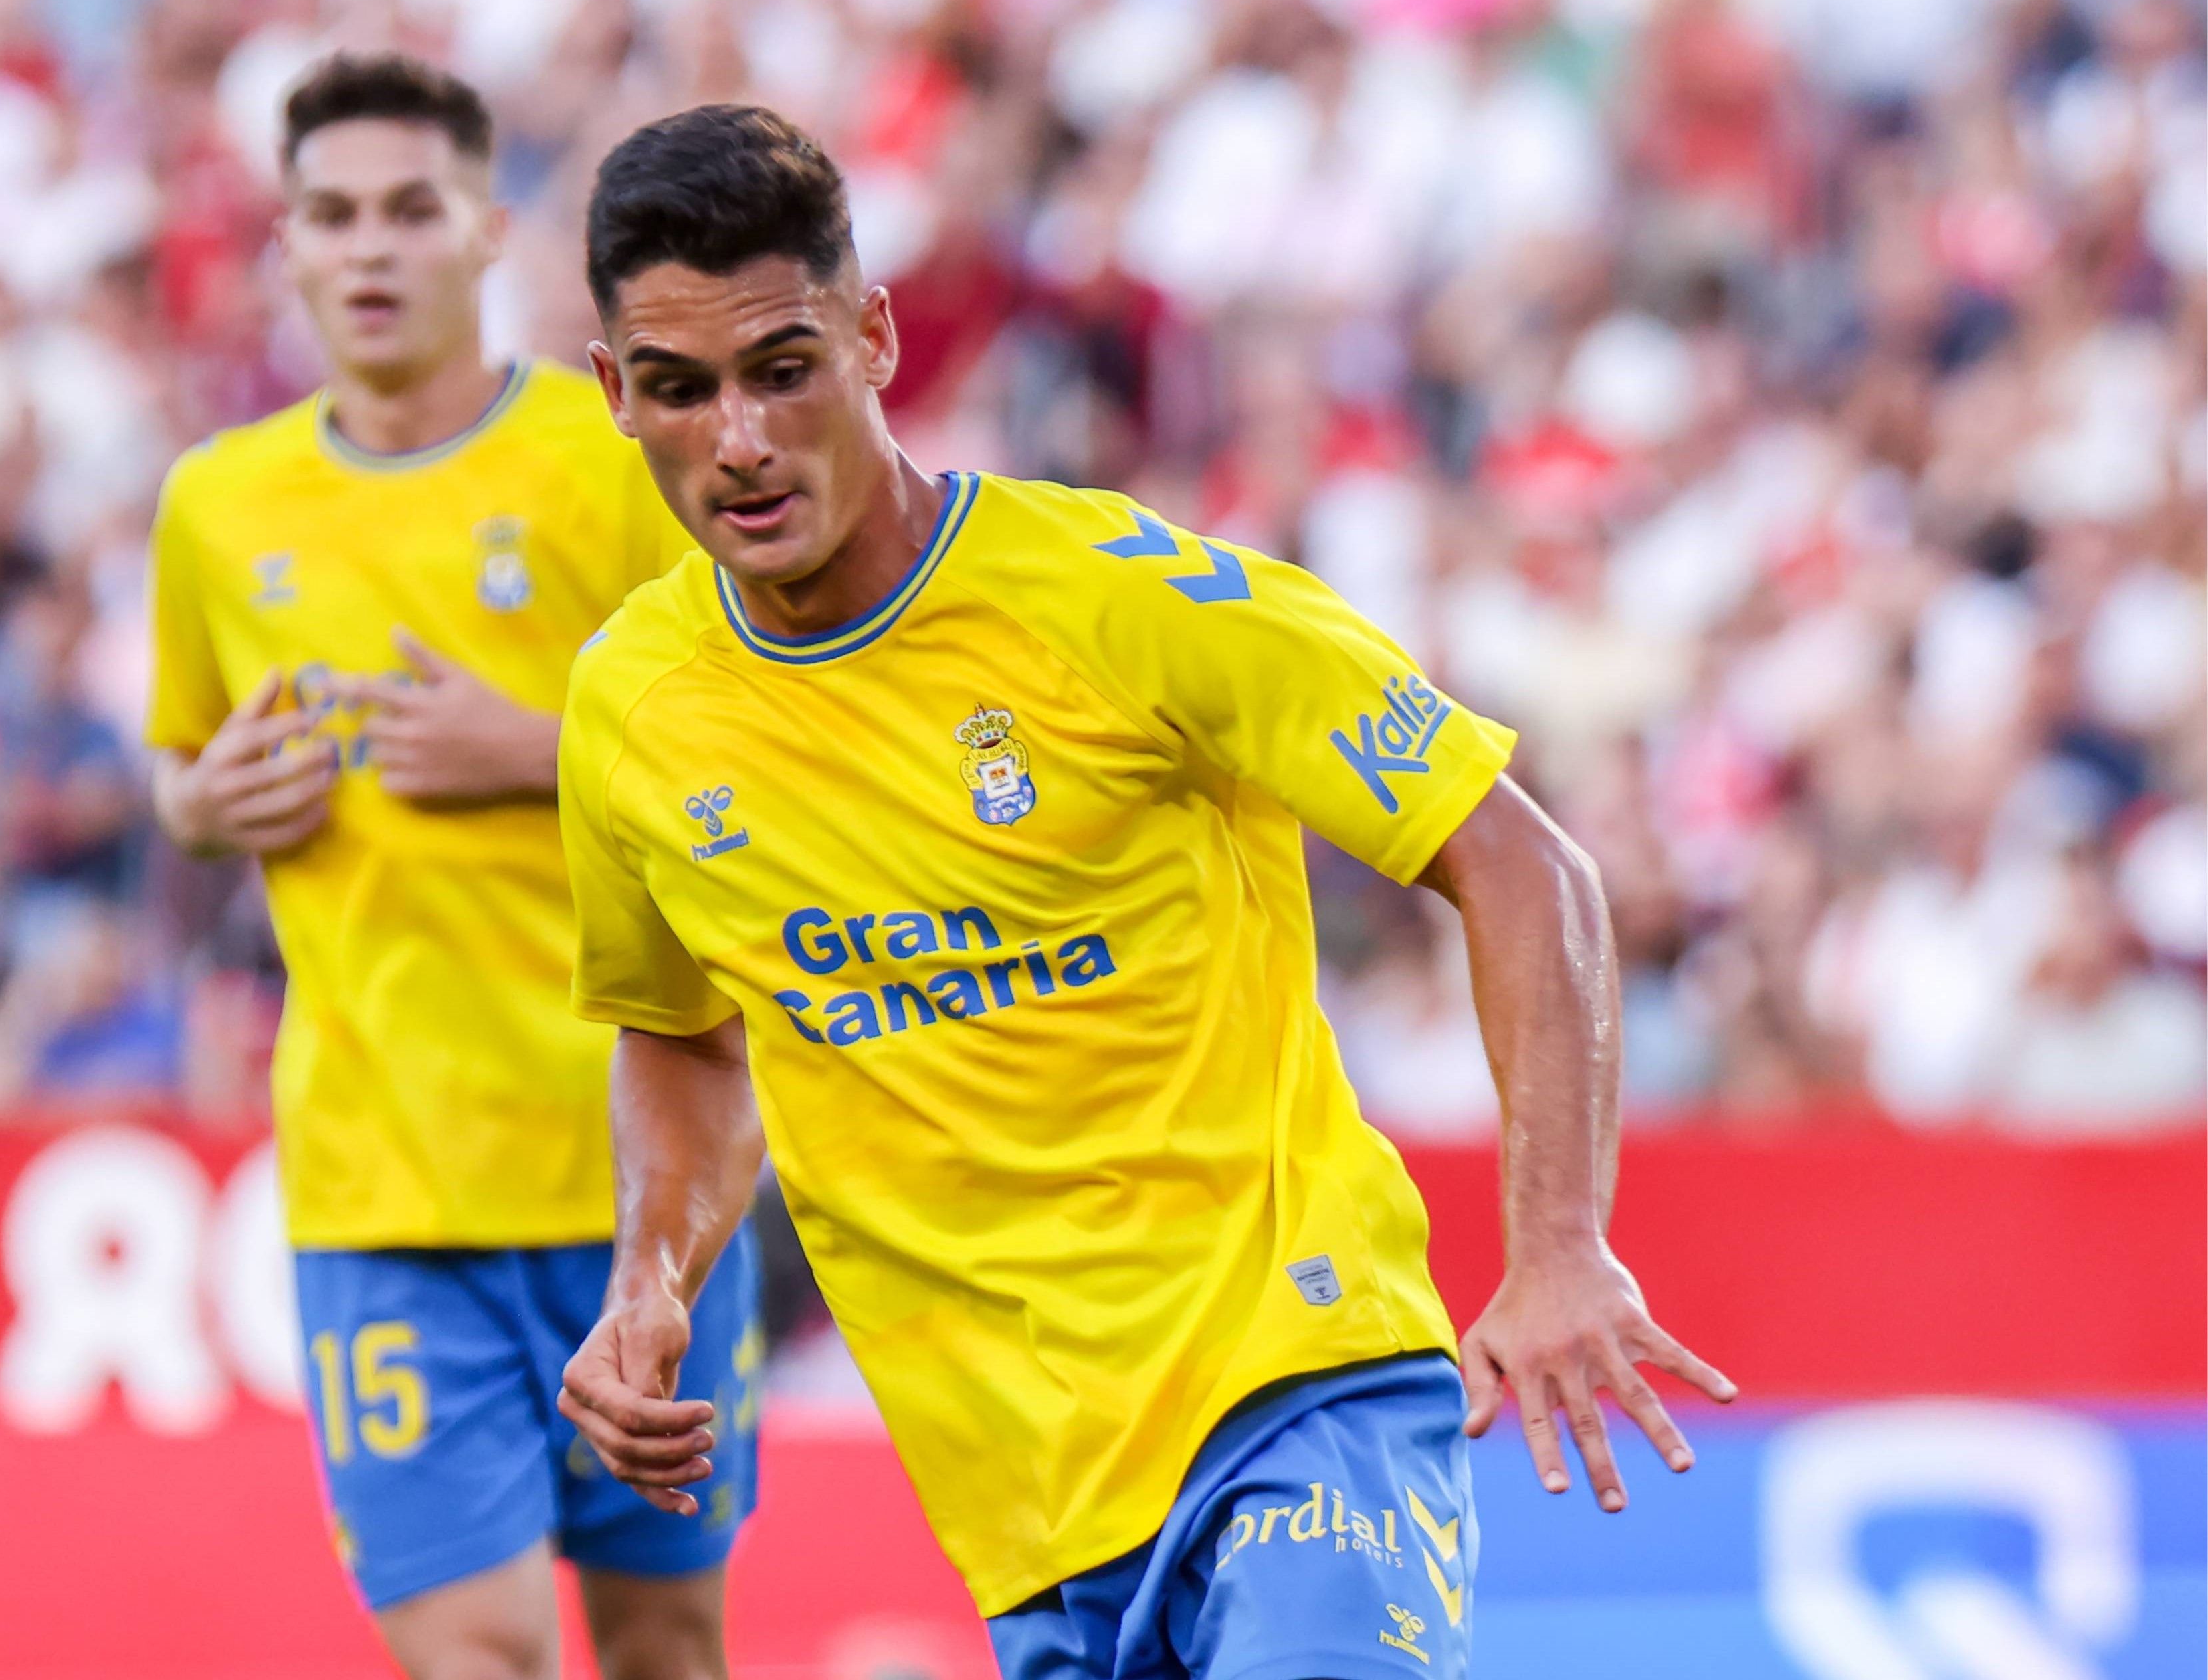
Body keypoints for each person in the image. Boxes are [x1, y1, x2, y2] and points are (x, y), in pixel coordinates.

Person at [555, 106, 1732, 1680]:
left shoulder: (1117, 597)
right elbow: (687, 1034)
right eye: (680, 391)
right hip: (1029, 1507)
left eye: (784, 367)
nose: (742, 441)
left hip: (1296, 1383)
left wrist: (1559, 1240)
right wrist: (651, 1279)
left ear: (877, 338)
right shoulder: (633, 709)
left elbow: (1520, 857)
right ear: (614, 394)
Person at [144, 57, 759, 1680]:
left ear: (489, 231)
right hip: (386, 1190)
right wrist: (204, 804)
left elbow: (759, 752)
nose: (372, 249)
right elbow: (178, 765)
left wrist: (541, 749)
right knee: (474, 1653)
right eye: (335, 215)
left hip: (649, 1178)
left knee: (667, 1650)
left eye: (412, 210)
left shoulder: (617, 460)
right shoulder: (218, 507)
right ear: (286, 244)